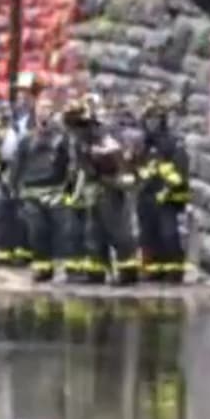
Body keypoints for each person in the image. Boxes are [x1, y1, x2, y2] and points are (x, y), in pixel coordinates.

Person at [63, 97, 140, 285]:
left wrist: (99, 166)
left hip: (111, 189)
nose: (73, 131)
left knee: (118, 231)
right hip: (95, 189)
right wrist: (74, 190)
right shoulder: (81, 139)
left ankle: (127, 271)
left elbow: (114, 162)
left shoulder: (103, 137)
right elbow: (80, 168)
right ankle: (96, 272)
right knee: (94, 232)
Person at [11, 97, 73, 282]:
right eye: (41, 107)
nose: (44, 111)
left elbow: (71, 164)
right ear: (35, 110)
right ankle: (42, 268)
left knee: (62, 231)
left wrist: (68, 188)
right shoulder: (26, 139)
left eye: (48, 107)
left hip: (55, 190)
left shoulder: (63, 138)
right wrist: (14, 188)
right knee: (37, 231)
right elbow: (17, 165)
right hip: (31, 191)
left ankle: (66, 267)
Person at [136, 97, 191, 283]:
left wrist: (168, 189)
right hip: (146, 196)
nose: (152, 123)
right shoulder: (142, 144)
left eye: (156, 119)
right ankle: (153, 270)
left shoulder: (172, 143)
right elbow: (134, 167)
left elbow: (180, 171)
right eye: (148, 119)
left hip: (166, 197)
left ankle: (174, 271)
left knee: (168, 234)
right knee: (147, 235)